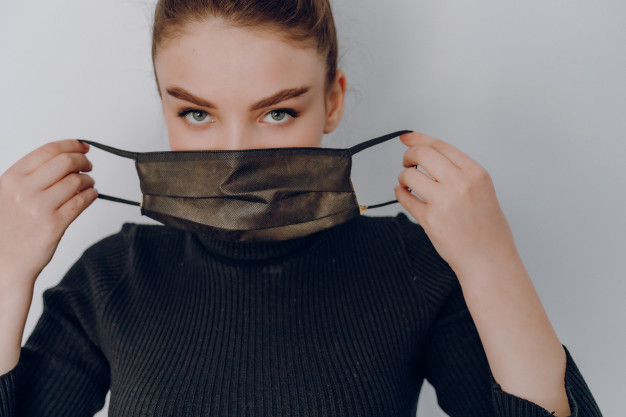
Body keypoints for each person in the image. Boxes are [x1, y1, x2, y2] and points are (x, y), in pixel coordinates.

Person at [0, 0, 602, 416]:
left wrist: (492, 262)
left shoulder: (411, 266)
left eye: (277, 112)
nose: (236, 156)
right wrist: (5, 269)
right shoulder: (110, 277)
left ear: (332, 102)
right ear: (164, 106)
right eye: (197, 113)